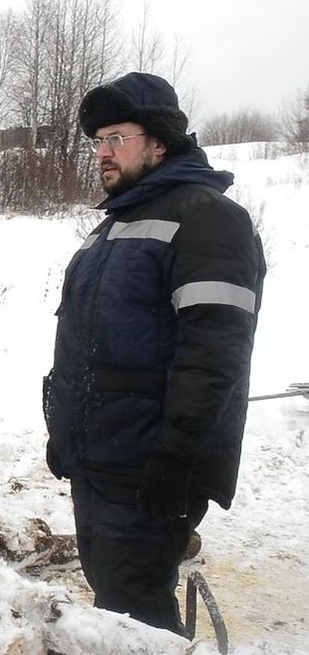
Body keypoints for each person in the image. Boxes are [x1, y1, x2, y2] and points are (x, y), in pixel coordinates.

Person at [43, 72, 266, 634]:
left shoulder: (207, 219)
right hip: (100, 458)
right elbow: (84, 339)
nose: (102, 153)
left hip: (149, 464)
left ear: (159, 142)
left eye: (117, 137)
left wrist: (176, 458)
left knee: (134, 608)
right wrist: (61, 424)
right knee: (115, 590)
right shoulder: (113, 226)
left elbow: (215, 353)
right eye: (98, 141)